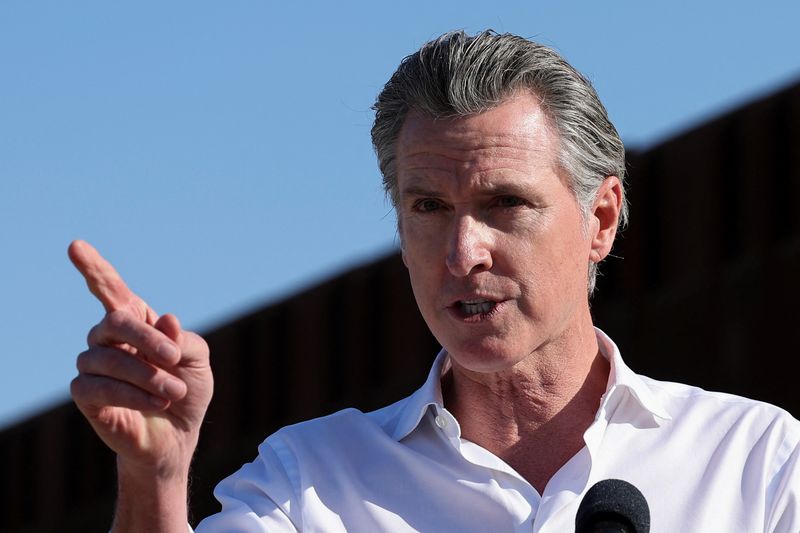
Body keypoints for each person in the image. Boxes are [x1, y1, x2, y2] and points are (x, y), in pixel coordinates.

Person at [70, 30, 800, 532]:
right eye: (428, 207)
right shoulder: (312, 482)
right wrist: (155, 477)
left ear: (600, 219)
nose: (462, 252)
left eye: (503, 203)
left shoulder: (755, 461)